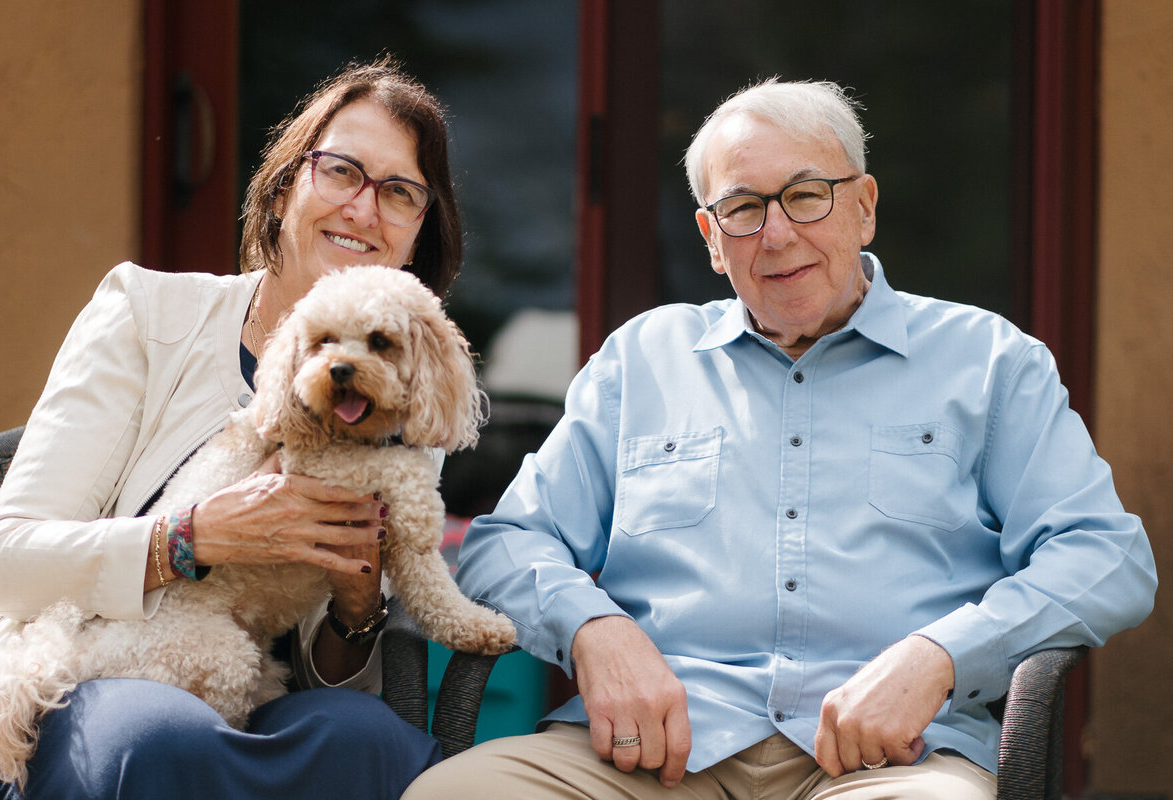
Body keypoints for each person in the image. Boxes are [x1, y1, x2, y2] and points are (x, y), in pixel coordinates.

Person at [403, 78, 1158, 799]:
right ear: (709, 237)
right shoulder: (643, 361)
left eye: (805, 196)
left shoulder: (989, 361)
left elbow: (1105, 555)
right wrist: (595, 631)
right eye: (742, 208)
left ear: (863, 207)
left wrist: (944, 657)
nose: (777, 234)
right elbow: (506, 543)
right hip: (651, 758)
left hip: (892, 760)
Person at [0, 56, 463, 799]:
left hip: (255, 693)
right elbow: (9, 562)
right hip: (85, 668)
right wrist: (193, 536)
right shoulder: (146, 315)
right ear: (282, 191)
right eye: (340, 172)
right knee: (159, 734)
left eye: (399, 192)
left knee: (370, 740)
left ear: (416, 235)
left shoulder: (398, 404)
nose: (364, 210)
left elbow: (340, 674)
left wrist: (357, 609)